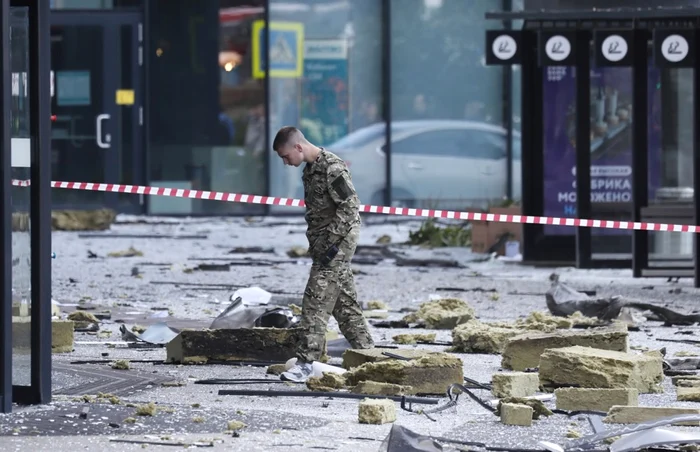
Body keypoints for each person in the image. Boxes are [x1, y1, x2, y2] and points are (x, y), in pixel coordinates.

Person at [271, 126, 374, 382]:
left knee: (315, 301)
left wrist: (330, 244)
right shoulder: (310, 170)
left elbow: (350, 208)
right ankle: (368, 354)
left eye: (286, 156)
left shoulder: (332, 167)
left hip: (336, 245)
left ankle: (306, 363)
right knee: (344, 303)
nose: (286, 163)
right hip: (324, 247)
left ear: (298, 147)